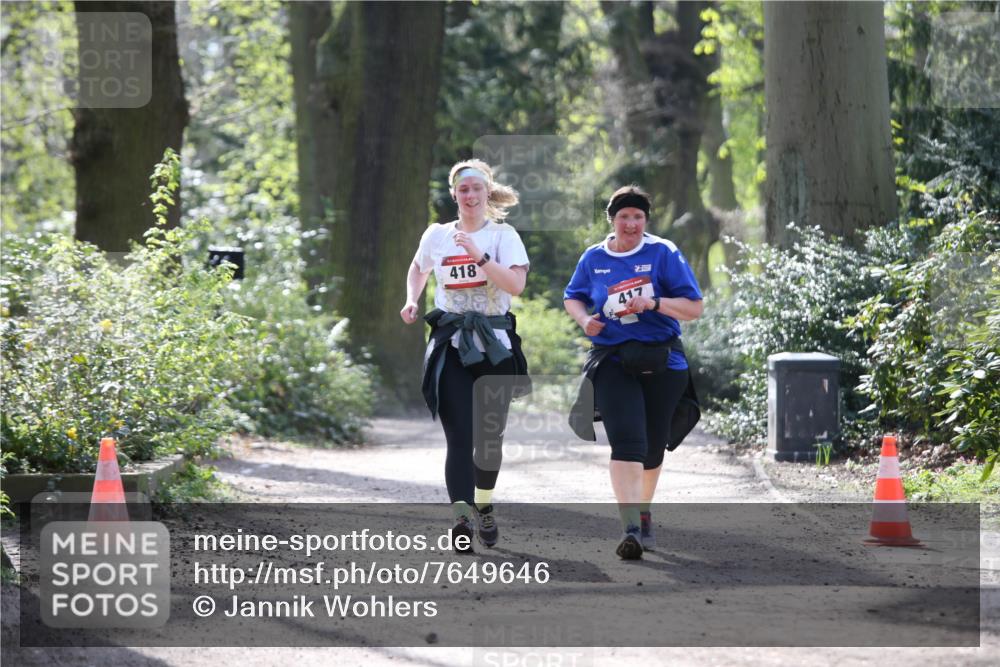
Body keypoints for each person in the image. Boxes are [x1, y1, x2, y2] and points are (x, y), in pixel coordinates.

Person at [563, 185, 703, 560]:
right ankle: (629, 527)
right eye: (624, 216)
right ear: (612, 220)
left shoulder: (663, 252)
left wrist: (655, 302)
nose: (631, 223)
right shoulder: (593, 257)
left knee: (654, 447)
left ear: (646, 221)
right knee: (627, 442)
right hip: (611, 359)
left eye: (638, 217)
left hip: (663, 361)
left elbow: (694, 308)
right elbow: (572, 295)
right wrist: (583, 320)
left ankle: (643, 513)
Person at [400, 159, 530, 553]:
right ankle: (460, 517)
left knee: (488, 441)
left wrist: (480, 257)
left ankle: (484, 506)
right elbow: (418, 268)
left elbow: (517, 286)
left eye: (476, 189)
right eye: (463, 189)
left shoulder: (503, 236)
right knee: (459, 438)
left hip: (495, 346)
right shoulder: (437, 235)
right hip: (452, 345)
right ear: (454, 194)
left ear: (487, 193)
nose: (469, 195)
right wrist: (411, 299)